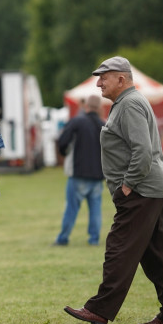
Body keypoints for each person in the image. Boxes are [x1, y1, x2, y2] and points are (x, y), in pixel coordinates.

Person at [65, 56, 163, 324]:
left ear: (121, 79)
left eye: (103, 77)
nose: (98, 83)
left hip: (142, 190)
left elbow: (141, 151)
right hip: (153, 188)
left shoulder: (130, 103)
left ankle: (99, 309)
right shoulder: (130, 102)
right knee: (159, 255)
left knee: (119, 249)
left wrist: (127, 185)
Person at [54, 94, 106, 246]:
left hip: (78, 172)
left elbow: (63, 141)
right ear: (99, 108)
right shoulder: (103, 124)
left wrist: (64, 153)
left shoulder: (77, 121)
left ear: (86, 106)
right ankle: (94, 239)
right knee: (95, 209)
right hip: (97, 174)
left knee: (71, 208)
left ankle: (63, 238)